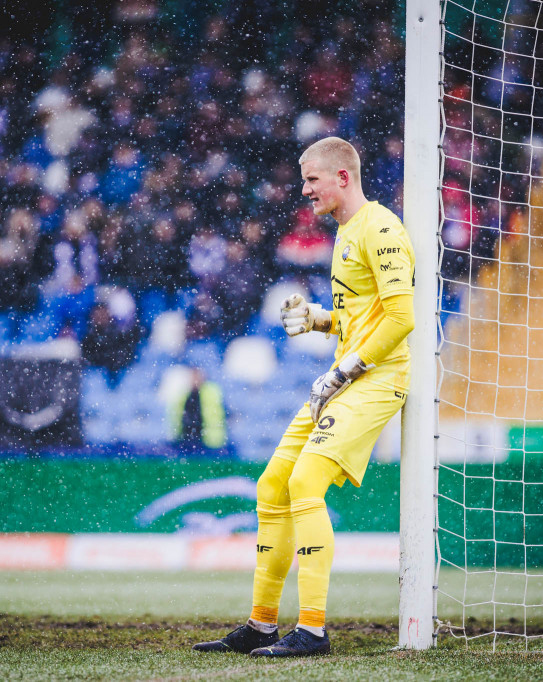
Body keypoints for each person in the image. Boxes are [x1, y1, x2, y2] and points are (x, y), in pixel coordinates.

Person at [194, 137, 415, 657]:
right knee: (273, 485)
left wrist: (345, 369)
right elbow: (366, 318)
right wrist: (321, 319)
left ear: (343, 177)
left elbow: (402, 319)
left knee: (305, 479)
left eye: (312, 179)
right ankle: (261, 624)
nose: (304, 188)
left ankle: (312, 631)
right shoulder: (345, 233)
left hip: (377, 378)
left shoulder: (380, 227)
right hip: (348, 374)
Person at [168, 366, 227, 452]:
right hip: (186, 438)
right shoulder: (183, 394)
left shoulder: (211, 392)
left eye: (196, 377)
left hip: (208, 440)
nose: (195, 380)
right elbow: (177, 415)